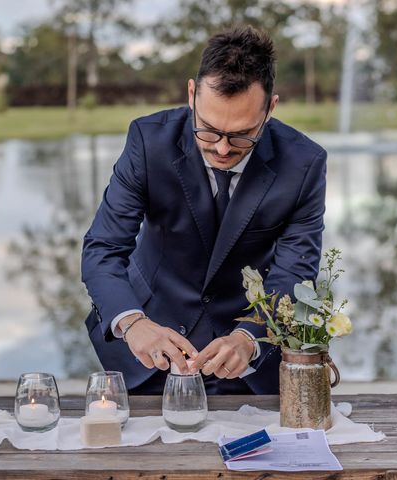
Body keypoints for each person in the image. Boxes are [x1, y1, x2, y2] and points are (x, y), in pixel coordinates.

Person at [81, 25, 327, 395]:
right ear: (192, 94)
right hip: (147, 356)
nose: (223, 149)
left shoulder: (305, 163)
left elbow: (295, 269)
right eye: (208, 130)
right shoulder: (148, 143)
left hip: (249, 363)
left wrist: (251, 337)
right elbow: (103, 248)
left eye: (243, 134)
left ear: (270, 108)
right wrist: (133, 323)